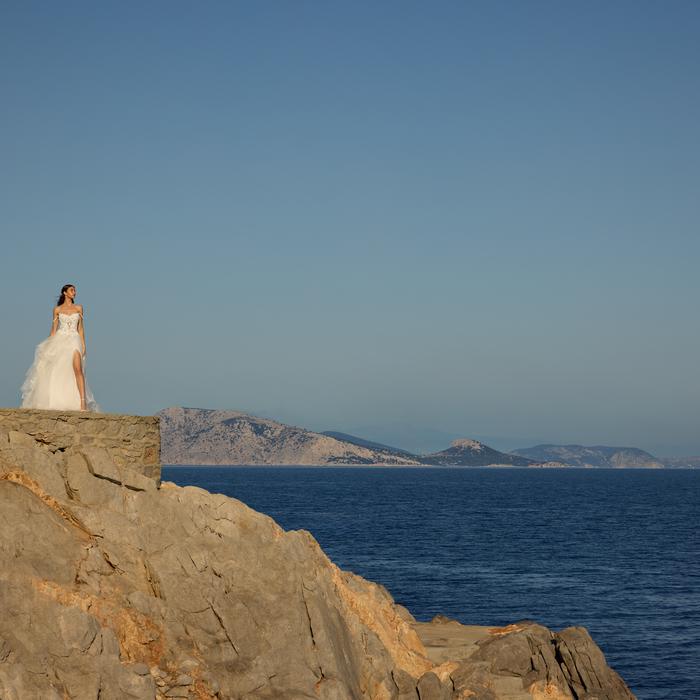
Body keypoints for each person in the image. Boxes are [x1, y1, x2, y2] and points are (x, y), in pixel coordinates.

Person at [21, 284, 99, 411]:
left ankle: (82, 403)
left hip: (74, 339)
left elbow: (81, 328)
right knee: (58, 370)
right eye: (72, 290)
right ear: (65, 293)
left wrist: (84, 344)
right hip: (60, 339)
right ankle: (57, 399)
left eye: (75, 290)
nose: (75, 292)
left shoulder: (79, 308)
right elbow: (53, 330)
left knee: (78, 369)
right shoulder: (57, 310)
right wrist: (49, 346)